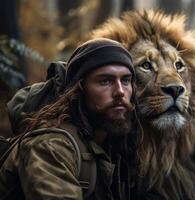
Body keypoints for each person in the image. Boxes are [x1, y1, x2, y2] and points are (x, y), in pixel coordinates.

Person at [0, 38, 138, 199]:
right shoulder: (50, 145)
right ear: (78, 90)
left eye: (126, 80)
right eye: (105, 81)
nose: (120, 91)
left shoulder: (119, 143)